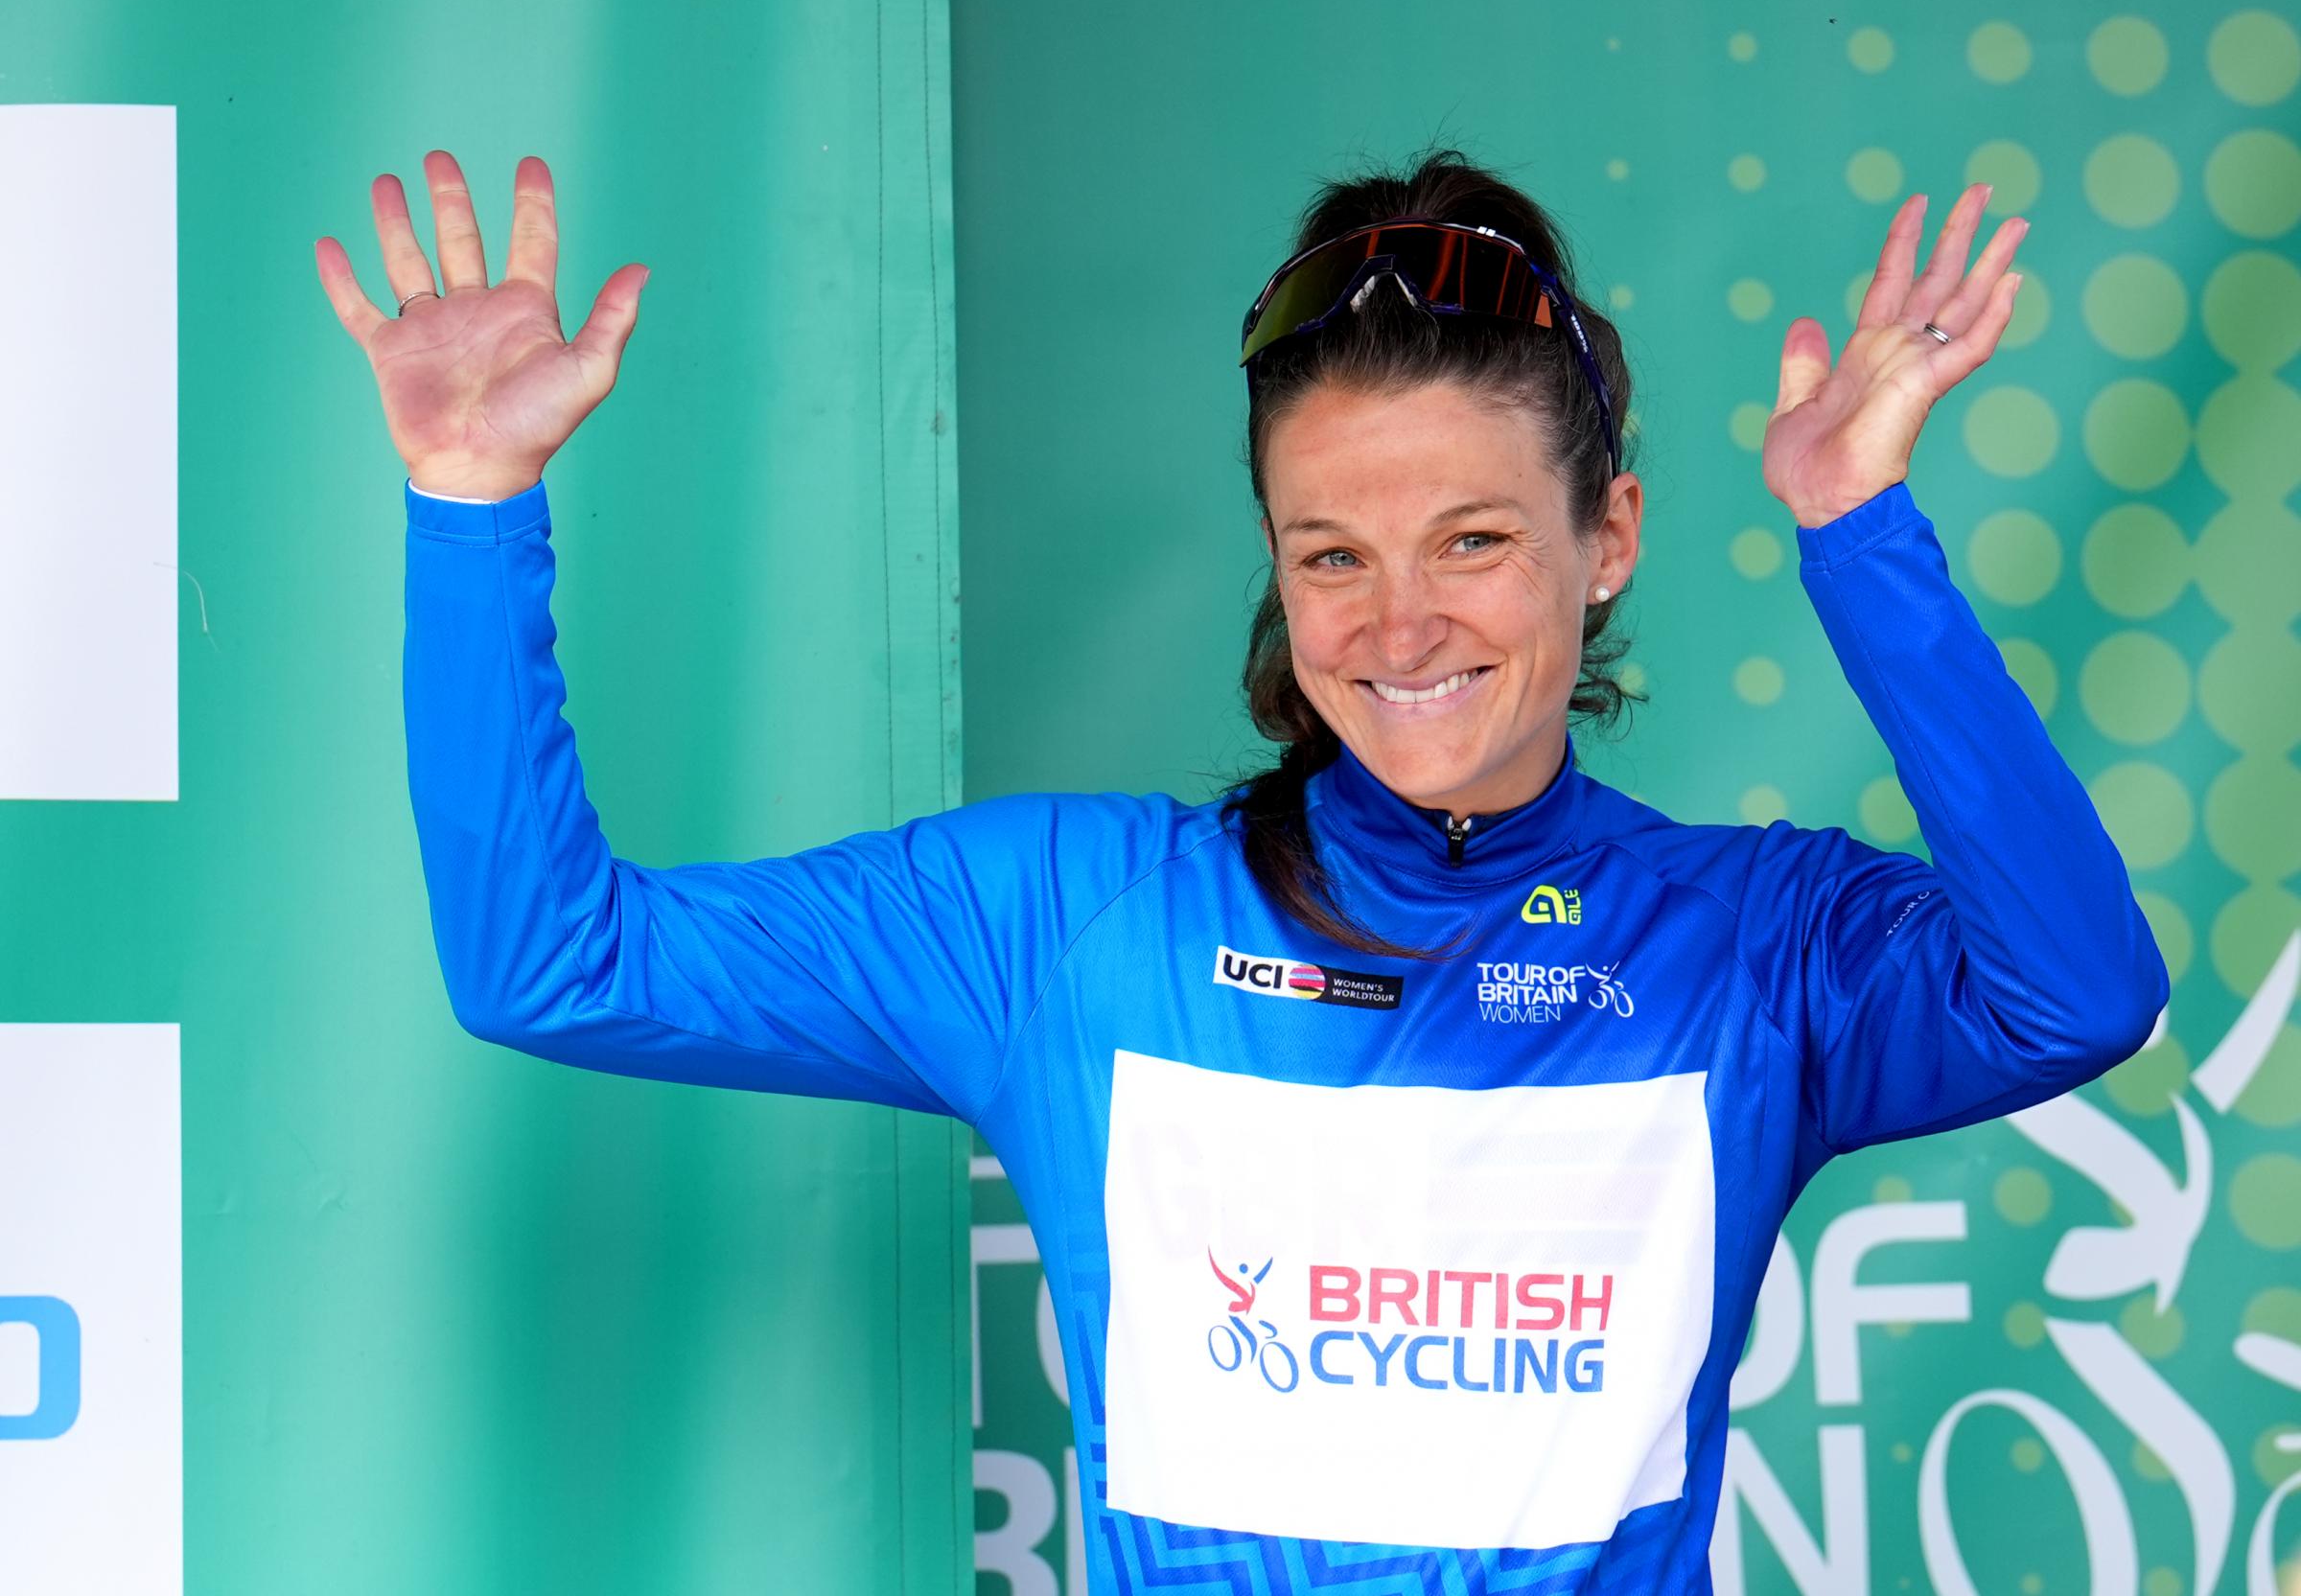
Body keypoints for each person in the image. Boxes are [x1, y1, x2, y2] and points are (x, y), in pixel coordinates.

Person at [315, 144, 2169, 1592]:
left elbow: (2075, 991)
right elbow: (544, 961)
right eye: (1332, 552)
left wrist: (1862, 536)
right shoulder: (1067, 927)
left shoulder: (1745, 947)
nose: (1403, 621)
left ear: (1608, 537)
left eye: (1473, 538)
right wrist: (471, 512)